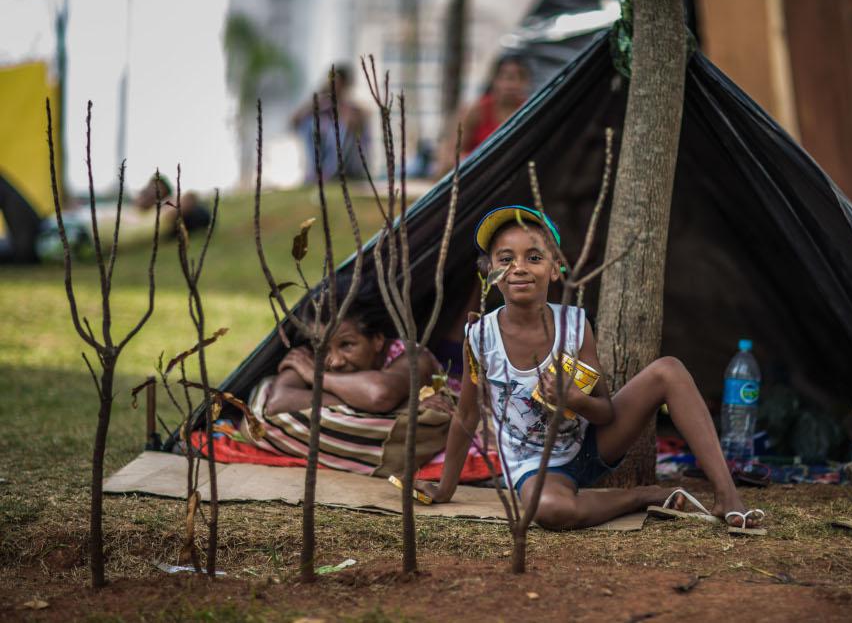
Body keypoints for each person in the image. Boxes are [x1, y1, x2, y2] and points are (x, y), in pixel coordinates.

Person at [415, 206, 765, 530]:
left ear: (555, 268)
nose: (519, 267)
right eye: (506, 259)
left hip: (592, 443)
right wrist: (446, 487)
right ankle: (642, 496)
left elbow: (605, 411)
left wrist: (575, 399)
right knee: (551, 510)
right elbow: (466, 417)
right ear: (490, 272)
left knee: (669, 370)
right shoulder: (479, 337)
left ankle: (727, 495)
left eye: (534, 257)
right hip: (535, 470)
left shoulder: (575, 325)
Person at [244, 305, 453, 477]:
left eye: (347, 345)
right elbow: (277, 403)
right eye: (324, 349)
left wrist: (314, 376)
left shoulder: (414, 358)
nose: (335, 361)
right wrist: (392, 405)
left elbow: (379, 395)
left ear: (378, 340)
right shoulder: (309, 356)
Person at [434, 54, 532, 176]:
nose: (511, 85)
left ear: (526, 82)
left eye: (519, 78)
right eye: (506, 77)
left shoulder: (530, 113)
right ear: (494, 80)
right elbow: (450, 156)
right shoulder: (476, 111)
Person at [290, 64, 368, 182]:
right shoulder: (320, 103)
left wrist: (339, 107)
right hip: (321, 155)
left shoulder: (352, 108)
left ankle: (327, 174)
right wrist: (317, 104)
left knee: (340, 129)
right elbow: (294, 121)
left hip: (347, 165)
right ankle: (317, 172)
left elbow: (354, 123)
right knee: (310, 124)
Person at [134, 173, 211, 239]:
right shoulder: (127, 209)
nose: (150, 193)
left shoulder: (160, 216)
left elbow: (189, 198)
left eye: (156, 194)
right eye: (148, 189)